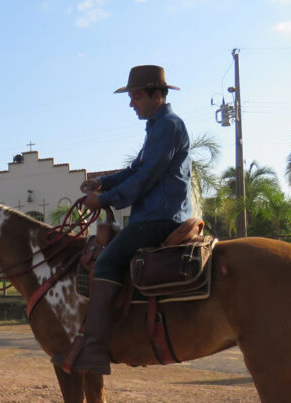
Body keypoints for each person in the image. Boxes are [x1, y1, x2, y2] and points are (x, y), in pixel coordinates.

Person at [52, 65, 193, 374]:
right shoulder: (158, 127)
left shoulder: (168, 125)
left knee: (105, 262)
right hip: (156, 214)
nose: (132, 104)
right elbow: (134, 172)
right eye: (131, 97)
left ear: (158, 95)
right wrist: (103, 182)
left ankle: (94, 349)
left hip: (160, 217)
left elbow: (145, 177)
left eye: (136, 97)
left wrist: (103, 200)